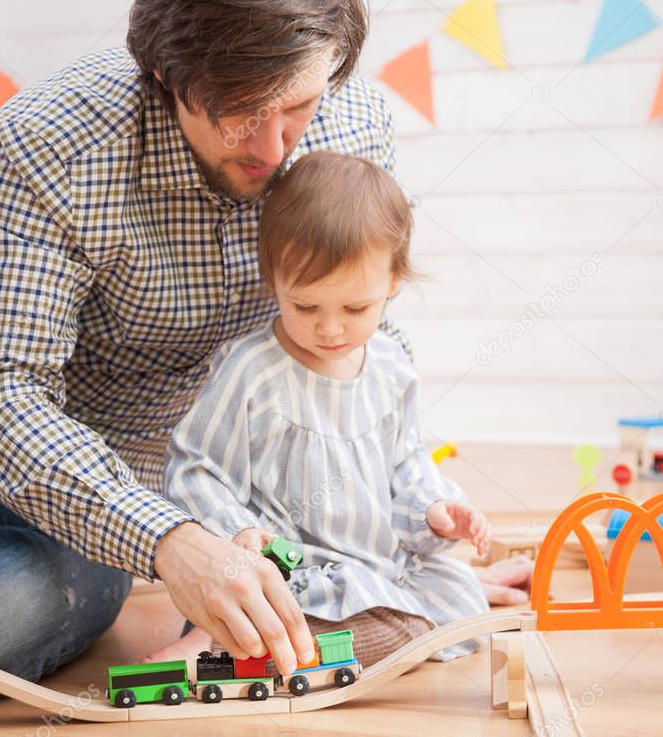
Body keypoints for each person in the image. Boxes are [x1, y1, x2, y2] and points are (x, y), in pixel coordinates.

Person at [0, 0, 530, 695]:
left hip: (237, 506)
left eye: (298, 106)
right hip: (67, 480)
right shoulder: (48, 144)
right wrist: (170, 542)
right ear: (163, 77)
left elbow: (362, 365)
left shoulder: (353, 123)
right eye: (240, 114)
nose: (273, 150)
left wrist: (407, 562)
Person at [148, 150, 491, 669]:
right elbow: (196, 468)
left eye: (356, 309)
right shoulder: (252, 373)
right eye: (305, 306)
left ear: (392, 285)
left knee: (461, 600)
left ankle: (291, 649)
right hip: (290, 569)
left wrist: (434, 511)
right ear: (273, 279)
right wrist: (235, 530)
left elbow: (408, 465)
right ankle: (221, 643)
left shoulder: (392, 369)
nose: (330, 329)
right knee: (286, 607)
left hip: (373, 567)